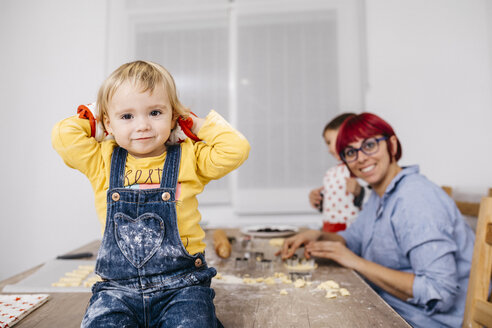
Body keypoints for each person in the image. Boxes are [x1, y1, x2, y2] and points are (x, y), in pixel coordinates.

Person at [52, 60, 250, 327]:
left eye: (155, 112)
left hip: (182, 286)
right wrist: (97, 120)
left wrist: (195, 124)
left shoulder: (189, 157)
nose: (143, 125)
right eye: (127, 116)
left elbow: (236, 148)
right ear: (108, 123)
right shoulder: (101, 159)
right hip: (117, 290)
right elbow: (63, 135)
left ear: (173, 116)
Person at [280, 112, 474, 328]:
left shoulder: (416, 198)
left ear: (392, 145)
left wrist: (356, 262)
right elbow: (353, 239)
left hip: (421, 322)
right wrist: (318, 235)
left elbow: (439, 292)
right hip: (388, 307)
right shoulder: (380, 196)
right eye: (351, 152)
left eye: (370, 145)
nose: (361, 158)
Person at [308, 113, 365, 232]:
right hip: (329, 226)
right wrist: (319, 200)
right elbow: (333, 203)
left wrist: (360, 191)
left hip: (352, 228)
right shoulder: (332, 172)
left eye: (329, 142)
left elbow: (374, 201)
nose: (328, 150)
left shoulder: (362, 167)